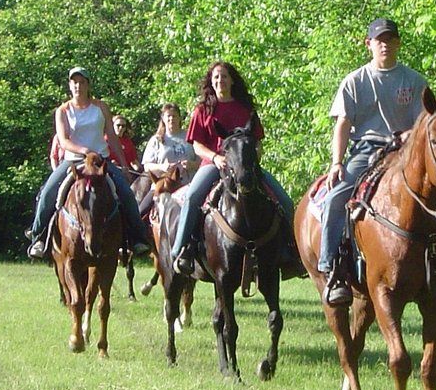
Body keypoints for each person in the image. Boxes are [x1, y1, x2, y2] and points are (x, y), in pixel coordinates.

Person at [318, 17, 436, 306]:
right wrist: (337, 162)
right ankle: (332, 269)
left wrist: (406, 138)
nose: (384, 45)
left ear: (398, 43)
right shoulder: (354, 81)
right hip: (366, 150)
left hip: (406, 149)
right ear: (369, 44)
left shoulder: (414, 81)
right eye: (379, 40)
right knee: (337, 195)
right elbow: (343, 124)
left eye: (390, 39)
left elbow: (425, 123)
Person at [169, 62, 297, 275]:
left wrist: (253, 157)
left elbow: (257, 142)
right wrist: (215, 157)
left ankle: (290, 252)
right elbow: (197, 144)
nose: (221, 81)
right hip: (213, 165)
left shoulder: (245, 109)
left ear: (232, 80)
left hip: (246, 167)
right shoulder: (202, 110)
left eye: (225, 76)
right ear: (211, 81)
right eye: (216, 77)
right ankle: (182, 250)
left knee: (284, 200)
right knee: (192, 197)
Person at [26, 67, 153, 259]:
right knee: (48, 192)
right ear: (70, 86)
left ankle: (137, 238)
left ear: (88, 85)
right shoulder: (63, 111)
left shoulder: (101, 107)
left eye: (82, 82)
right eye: (74, 82)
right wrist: (85, 150)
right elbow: (63, 140)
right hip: (74, 161)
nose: (78, 86)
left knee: (126, 193)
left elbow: (111, 136)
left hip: (100, 160)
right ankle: (38, 237)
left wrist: (123, 165)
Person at [141, 103, 198, 183]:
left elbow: (203, 161)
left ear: (179, 118)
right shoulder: (156, 140)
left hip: (190, 183)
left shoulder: (191, 136)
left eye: (174, 116)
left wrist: (192, 165)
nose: (171, 119)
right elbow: (146, 166)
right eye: (168, 116)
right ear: (163, 118)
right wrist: (162, 167)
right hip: (164, 185)